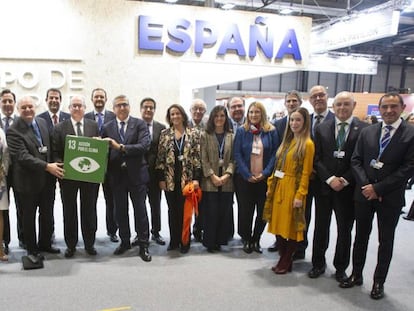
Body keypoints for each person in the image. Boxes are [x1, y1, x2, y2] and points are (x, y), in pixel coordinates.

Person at [340, 92, 414, 300]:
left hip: (389, 198)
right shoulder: (368, 132)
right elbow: (356, 160)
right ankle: (356, 274)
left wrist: (379, 189)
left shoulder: (410, 134)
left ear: (402, 109)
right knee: (361, 237)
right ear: (379, 109)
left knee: (385, 241)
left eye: (393, 107)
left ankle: (379, 282)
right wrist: (367, 186)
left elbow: (408, 168)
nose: (389, 111)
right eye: (385, 107)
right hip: (364, 194)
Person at [308, 91, 368, 282]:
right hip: (324, 188)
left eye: (346, 104)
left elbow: (361, 161)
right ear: (333, 106)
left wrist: (344, 180)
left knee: (344, 230)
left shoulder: (364, 129)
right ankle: (318, 264)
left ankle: (340, 267)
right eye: (339, 104)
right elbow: (316, 159)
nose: (342, 108)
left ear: (353, 105)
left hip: (347, 189)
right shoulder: (322, 128)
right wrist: (329, 178)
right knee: (320, 227)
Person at [7, 96, 64, 263]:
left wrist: (57, 163)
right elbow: (22, 157)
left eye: (30, 106)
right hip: (27, 182)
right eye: (23, 107)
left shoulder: (42, 122)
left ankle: (45, 243)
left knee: (47, 213)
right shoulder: (13, 130)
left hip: (47, 180)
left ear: (35, 107)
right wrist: (48, 166)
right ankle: (32, 249)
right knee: (29, 217)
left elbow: (50, 147)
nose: (27, 110)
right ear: (19, 110)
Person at [102, 95, 152, 262]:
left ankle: (143, 243)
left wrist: (120, 147)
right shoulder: (107, 126)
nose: (122, 108)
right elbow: (103, 151)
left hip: (136, 175)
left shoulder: (139, 124)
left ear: (129, 107)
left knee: (140, 210)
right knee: (120, 211)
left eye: (125, 105)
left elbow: (143, 146)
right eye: (118, 105)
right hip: (116, 176)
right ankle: (124, 242)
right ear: (114, 108)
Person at [265, 107, 314, 274]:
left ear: (305, 122)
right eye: (292, 120)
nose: (294, 123)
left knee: (291, 226)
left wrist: (300, 195)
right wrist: (271, 185)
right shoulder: (287, 141)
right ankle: (283, 256)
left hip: (294, 189)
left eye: (298, 120)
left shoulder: (307, 144)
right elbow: (277, 167)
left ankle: (286, 259)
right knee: (278, 224)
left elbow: (306, 173)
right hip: (280, 186)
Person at [52, 95, 99, 258]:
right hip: (68, 177)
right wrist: (63, 166)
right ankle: (71, 245)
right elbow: (56, 152)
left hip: (89, 177)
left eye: (80, 105)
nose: (77, 108)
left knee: (89, 210)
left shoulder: (94, 126)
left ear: (85, 108)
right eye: (74, 106)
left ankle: (89, 244)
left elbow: (99, 150)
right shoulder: (59, 127)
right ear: (69, 109)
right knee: (69, 211)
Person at [294, 85, 334, 260]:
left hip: (327, 180)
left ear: (327, 97)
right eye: (314, 96)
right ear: (309, 100)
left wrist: (328, 176)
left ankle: (318, 260)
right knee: (302, 217)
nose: (318, 99)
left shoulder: (336, 120)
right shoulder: (305, 120)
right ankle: (299, 249)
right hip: (305, 180)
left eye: (321, 95)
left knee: (322, 222)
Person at [155, 104, 201, 254]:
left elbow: (197, 158)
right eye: (172, 114)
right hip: (169, 179)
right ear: (169, 117)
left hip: (187, 180)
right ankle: (174, 240)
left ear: (183, 115)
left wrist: (196, 179)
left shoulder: (193, 133)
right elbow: (160, 158)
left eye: (177, 113)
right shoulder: (165, 134)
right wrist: (161, 178)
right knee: (172, 211)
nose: (175, 116)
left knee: (185, 212)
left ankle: (185, 240)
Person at [233, 101, 278, 254]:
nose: (253, 115)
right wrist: (247, 174)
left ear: (262, 114)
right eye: (251, 112)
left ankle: (256, 239)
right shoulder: (241, 131)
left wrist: (264, 173)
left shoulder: (271, 131)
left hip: (264, 179)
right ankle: (246, 239)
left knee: (262, 211)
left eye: (257, 112)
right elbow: (237, 154)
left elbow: (274, 155)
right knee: (245, 211)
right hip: (244, 179)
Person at [268, 90, 302, 252]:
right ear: (285, 103)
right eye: (288, 101)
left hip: (296, 177)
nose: (291, 104)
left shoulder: (305, 124)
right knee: (279, 212)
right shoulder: (279, 124)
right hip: (279, 176)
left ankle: (299, 246)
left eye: (294, 101)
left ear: (300, 103)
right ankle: (279, 241)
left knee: (297, 214)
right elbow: (275, 150)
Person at [37, 88, 71, 244]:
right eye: (51, 98)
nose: (54, 101)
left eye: (57, 98)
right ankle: (47, 237)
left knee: (68, 204)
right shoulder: (39, 119)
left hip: (67, 169)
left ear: (60, 100)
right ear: (46, 100)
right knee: (47, 206)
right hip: (47, 169)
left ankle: (70, 236)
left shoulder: (69, 118)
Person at [84, 88, 118, 243]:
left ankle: (113, 231)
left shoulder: (113, 116)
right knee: (90, 201)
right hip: (91, 167)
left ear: (106, 99)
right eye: (96, 96)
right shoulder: (85, 117)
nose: (99, 99)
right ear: (92, 99)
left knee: (111, 200)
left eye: (101, 97)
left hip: (110, 166)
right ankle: (92, 233)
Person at [200, 105, 235, 252]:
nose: (219, 119)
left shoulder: (232, 136)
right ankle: (209, 242)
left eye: (222, 116)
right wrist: (212, 175)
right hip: (210, 180)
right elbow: (203, 158)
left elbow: (235, 158)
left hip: (227, 180)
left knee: (224, 211)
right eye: (216, 116)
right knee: (211, 211)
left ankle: (221, 240)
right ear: (212, 118)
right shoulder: (205, 135)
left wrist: (227, 174)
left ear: (226, 118)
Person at [138, 97, 166, 246]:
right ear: (141, 109)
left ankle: (156, 232)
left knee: (155, 204)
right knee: (139, 206)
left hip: (155, 175)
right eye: (145, 107)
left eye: (151, 108)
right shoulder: (134, 125)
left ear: (154, 110)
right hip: (138, 175)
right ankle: (140, 234)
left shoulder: (161, 128)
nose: (148, 110)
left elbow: (163, 153)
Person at [0, 89, 20, 253]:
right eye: (4, 101)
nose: (7, 104)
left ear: (14, 103)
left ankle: (23, 239)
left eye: (10, 101)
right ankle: (4, 241)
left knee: (22, 206)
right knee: (3, 208)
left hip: (20, 172)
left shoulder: (21, 122)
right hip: (1, 174)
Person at [188, 98, 207, 242]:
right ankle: (185, 231)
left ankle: (199, 228)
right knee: (187, 201)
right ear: (190, 110)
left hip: (205, 171)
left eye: (201, 109)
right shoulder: (183, 125)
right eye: (195, 108)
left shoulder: (209, 127)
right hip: (187, 170)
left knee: (202, 202)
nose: (198, 111)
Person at [0, 126, 9, 261]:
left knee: (0, 213)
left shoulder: (0, 131)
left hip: (0, 179)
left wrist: (3, 171)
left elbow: (6, 153)